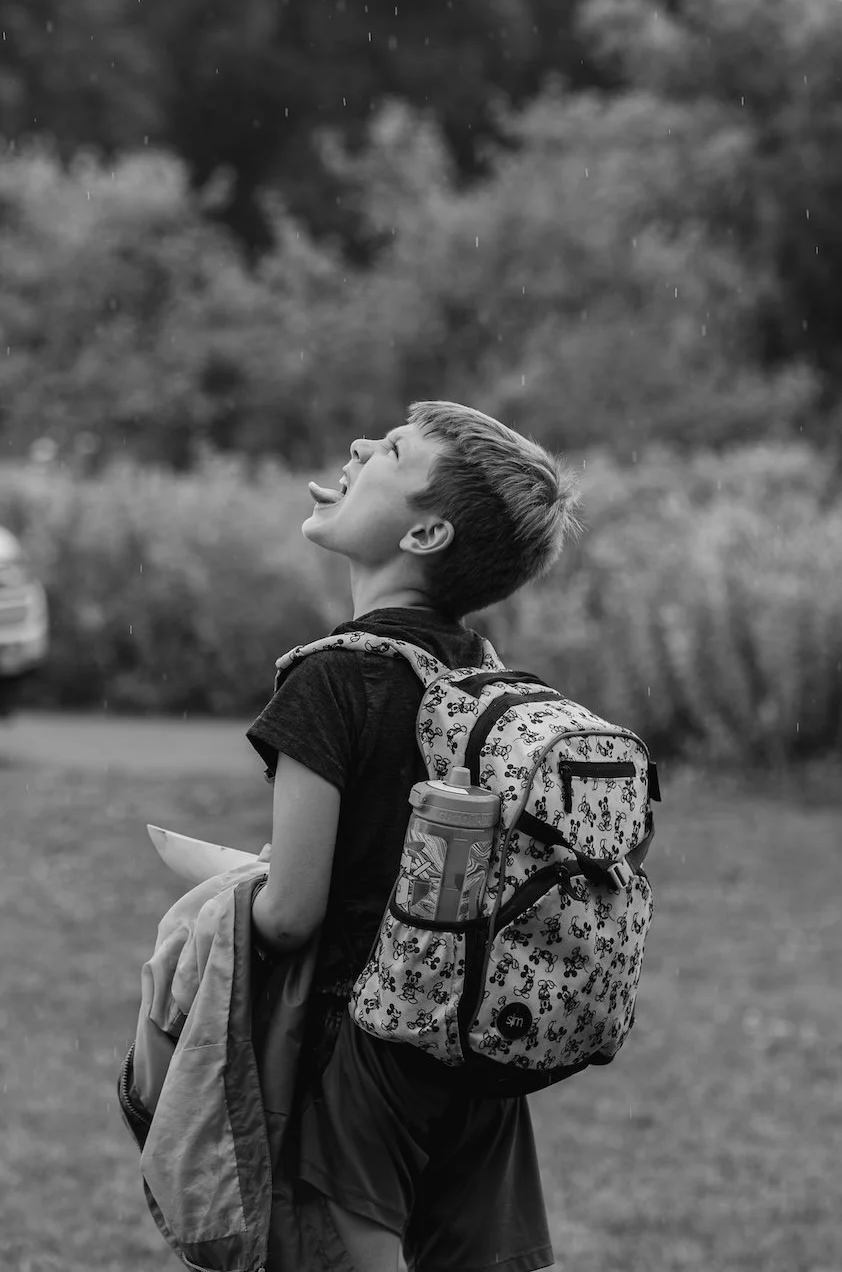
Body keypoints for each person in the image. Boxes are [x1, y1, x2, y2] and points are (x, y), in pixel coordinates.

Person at [245, 401, 584, 1272]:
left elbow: (290, 915)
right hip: (475, 1043)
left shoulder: (329, 680)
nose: (360, 445)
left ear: (427, 533)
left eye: (393, 450)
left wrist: (222, 902)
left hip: (359, 1050)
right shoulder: (486, 680)